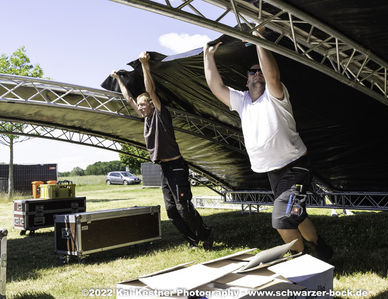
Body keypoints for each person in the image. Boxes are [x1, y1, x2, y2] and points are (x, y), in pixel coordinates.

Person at [203, 30, 332, 260]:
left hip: (295, 168)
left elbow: (272, 76)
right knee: (297, 216)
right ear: (247, 80)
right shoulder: (243, 101)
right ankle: (322, 249)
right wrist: (207, 56)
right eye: (252, 72)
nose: (257, 74)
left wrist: (257, 41)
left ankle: (301, 264)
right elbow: (216, 87)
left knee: (282, 219)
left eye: (260, 71)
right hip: (273, 173)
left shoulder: (275, 95)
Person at [111, 52, 212, 249]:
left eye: (142, 105)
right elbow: (129, 99)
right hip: (165, 169)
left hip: (176, 167)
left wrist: (145, 66)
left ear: (151, 104)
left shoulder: (159, 113)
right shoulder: (145, 118)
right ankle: (192, 240)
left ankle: (205, 234)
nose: (139, 108)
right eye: (139, 106)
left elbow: (151, 90)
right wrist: (118, 79)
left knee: (184, 208)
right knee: (172, 212)